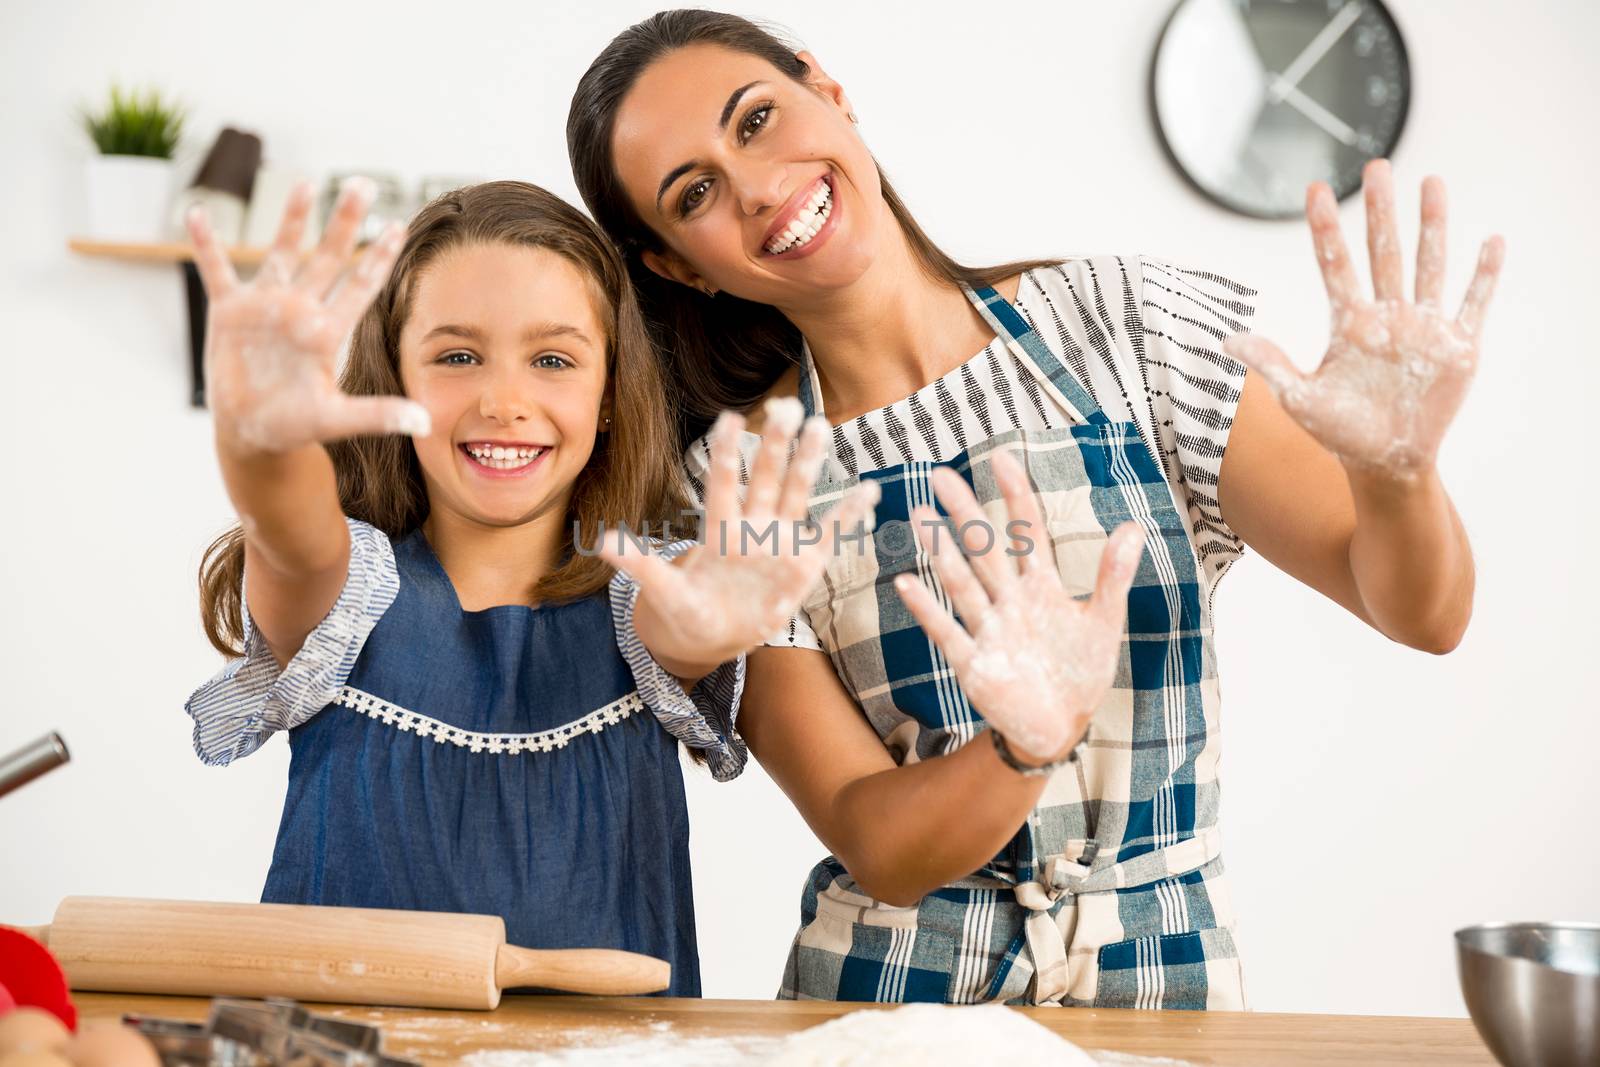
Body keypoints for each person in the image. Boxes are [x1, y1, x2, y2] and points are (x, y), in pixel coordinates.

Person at [566, 10, 1504, 1007]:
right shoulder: (741, 489)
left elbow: (1421, 612)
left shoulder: (1126, 329)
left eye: (754, 120)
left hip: (1166, 988)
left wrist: (1396, 475)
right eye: (696, 191)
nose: (754, 187)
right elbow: (879, 841)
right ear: (674, 263)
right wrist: (1020, 744)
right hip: (889, 1010)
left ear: (826, 89)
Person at [182, 178, 874, 996]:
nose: (502, 400)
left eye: (552, 359)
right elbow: (292, 538)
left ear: (610, 393)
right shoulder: (346, 585)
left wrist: (717, 620)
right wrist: (260, 443)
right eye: (456, 356)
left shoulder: (645, 593)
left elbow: (679, 625)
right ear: (392, 378)